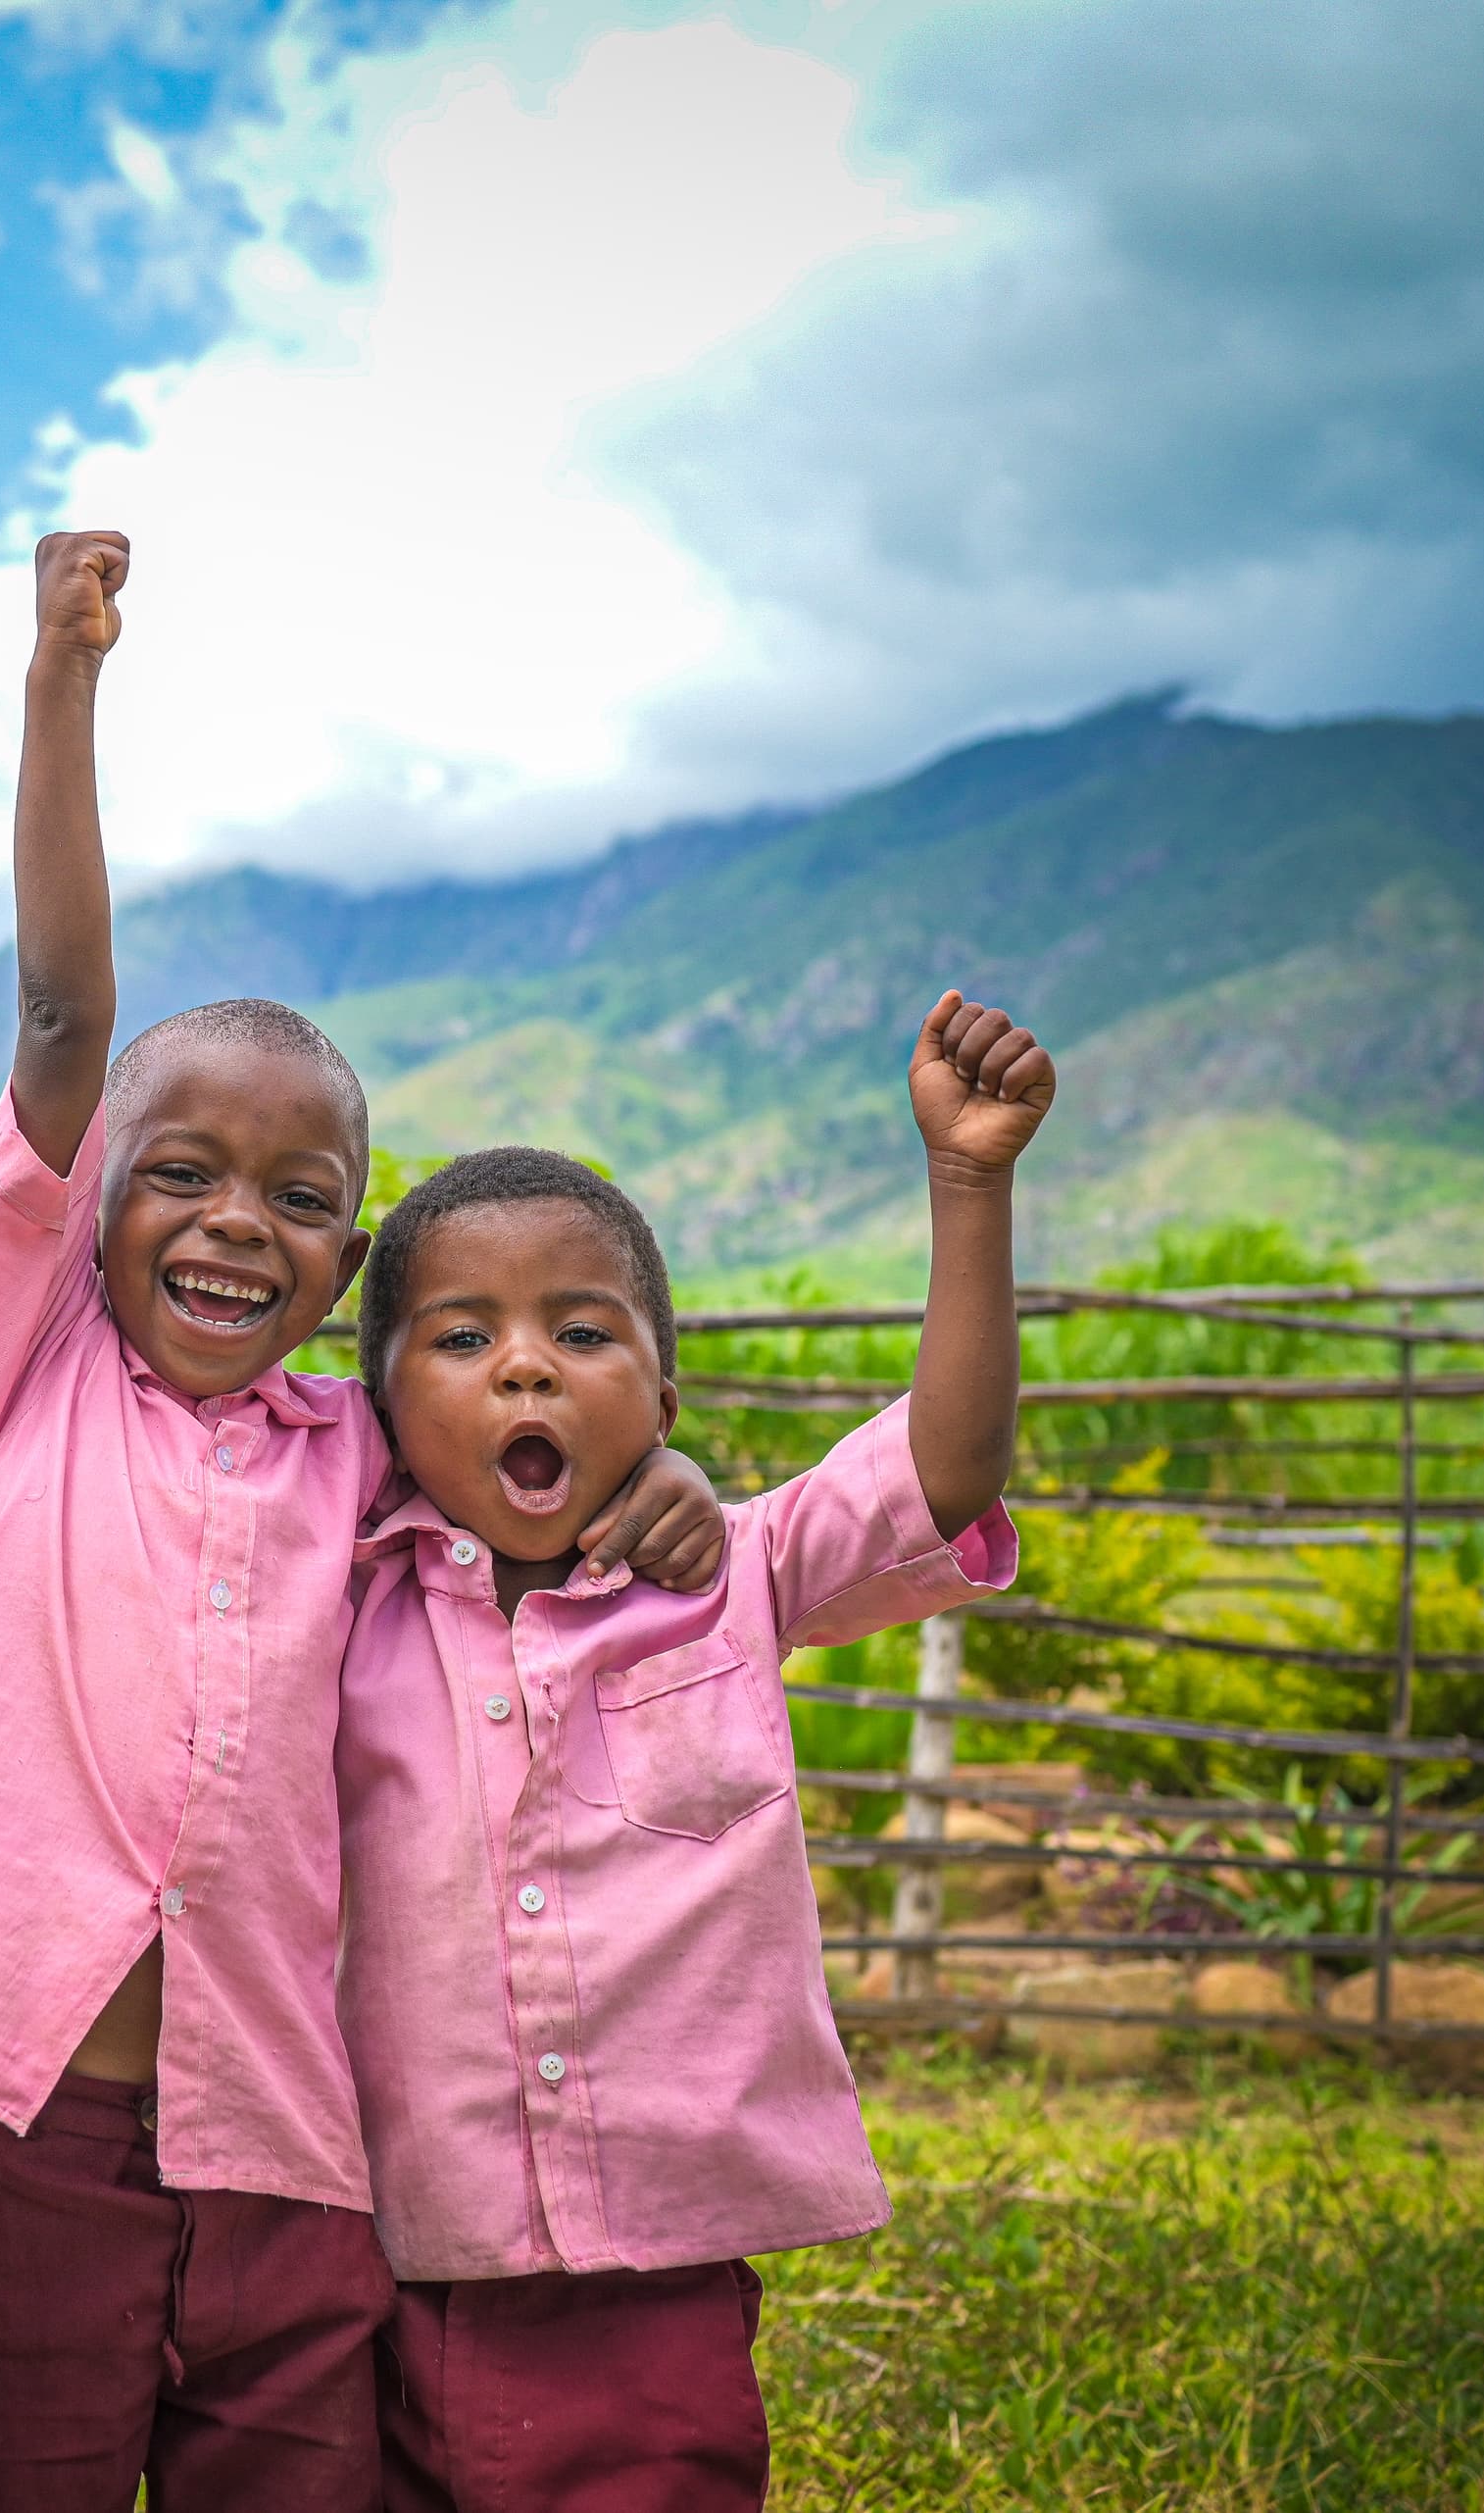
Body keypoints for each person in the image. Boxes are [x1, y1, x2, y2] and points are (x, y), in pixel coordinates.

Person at [0, 530, 721, 2513]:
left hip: (297, 2140)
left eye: (305, 1200)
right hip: (35, 2119)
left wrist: (664, 1479)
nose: (238, 1220)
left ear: (350, 1266)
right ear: (91, 1205)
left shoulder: (365, 1461)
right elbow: (63, 1015)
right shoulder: (30, 1376)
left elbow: (538, 1477)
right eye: (185, 1175)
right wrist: (61, 680)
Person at [335, 993, 1053, 2513]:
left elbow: (947, 1465)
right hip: (387, 2257)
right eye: (463, 1337)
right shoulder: (330, 1602)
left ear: (664, 1390)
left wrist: (969, 1186)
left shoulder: (736, 1573)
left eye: (583, 1332)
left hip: (657, 2274)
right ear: (382, 1408)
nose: (526, 1367)